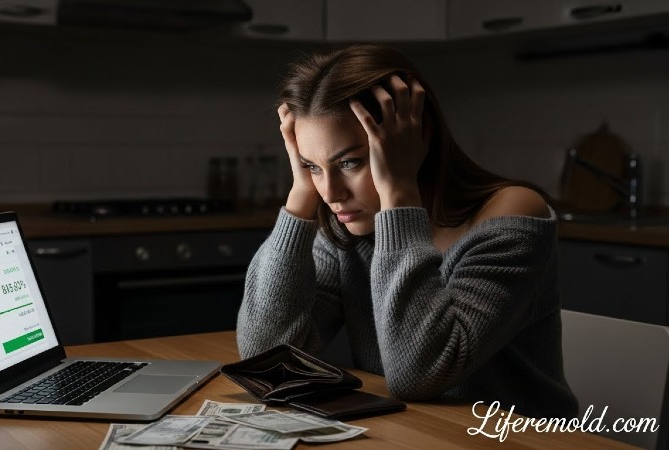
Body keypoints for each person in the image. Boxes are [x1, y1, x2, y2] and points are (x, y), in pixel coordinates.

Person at [236, 44, 578, 419]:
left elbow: (420, 375)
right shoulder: (346, 224)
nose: (331, 194)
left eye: (350, 162)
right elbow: (265, 358)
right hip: (415, 434)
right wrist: (300, 196)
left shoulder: (513, 213)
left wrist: (398, 192)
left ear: (415, 137)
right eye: (312, 166)